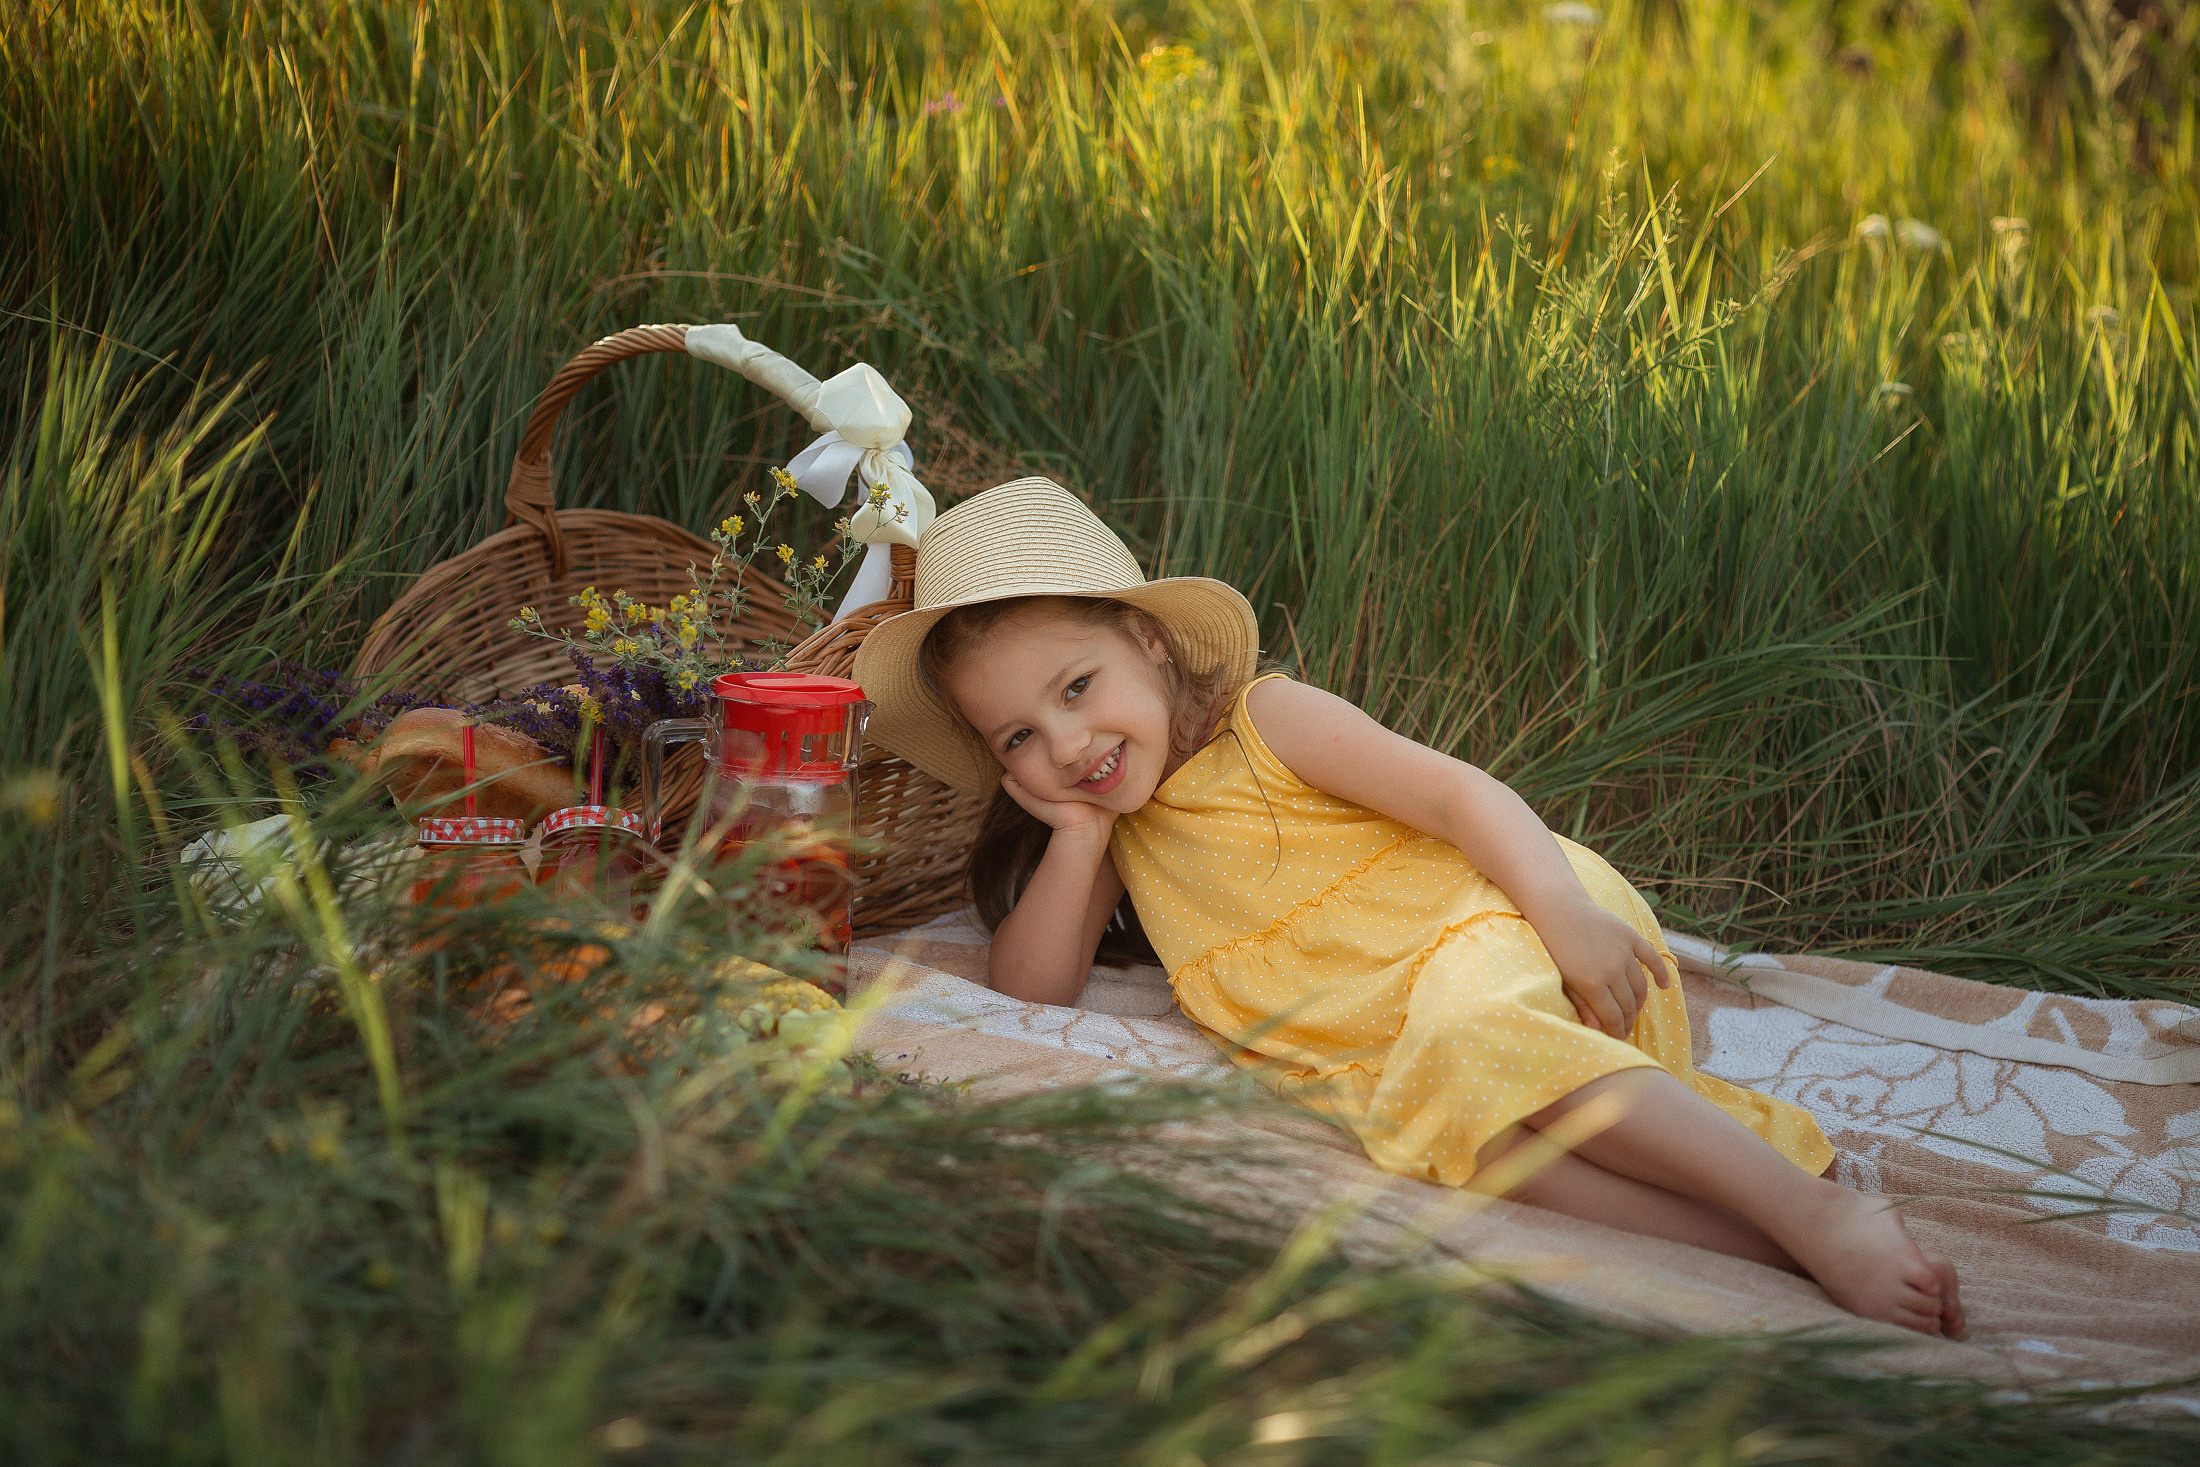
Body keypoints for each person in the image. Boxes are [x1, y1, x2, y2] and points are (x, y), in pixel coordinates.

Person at [852, 478, 1965, 1338]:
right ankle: (1773, 1241)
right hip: (1395, 1028)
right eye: (1018, 739)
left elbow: (1454, 792)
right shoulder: (1118, 827)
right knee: (1458, 1143)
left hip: (1495, 912)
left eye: (1077, 688)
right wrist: (1077, 834)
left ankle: (1814, 1214)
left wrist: (1557, 911)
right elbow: (1031, 988)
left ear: (1147, 639)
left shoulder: (1266, 721)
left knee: (1480, 1036)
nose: (1068, 745)